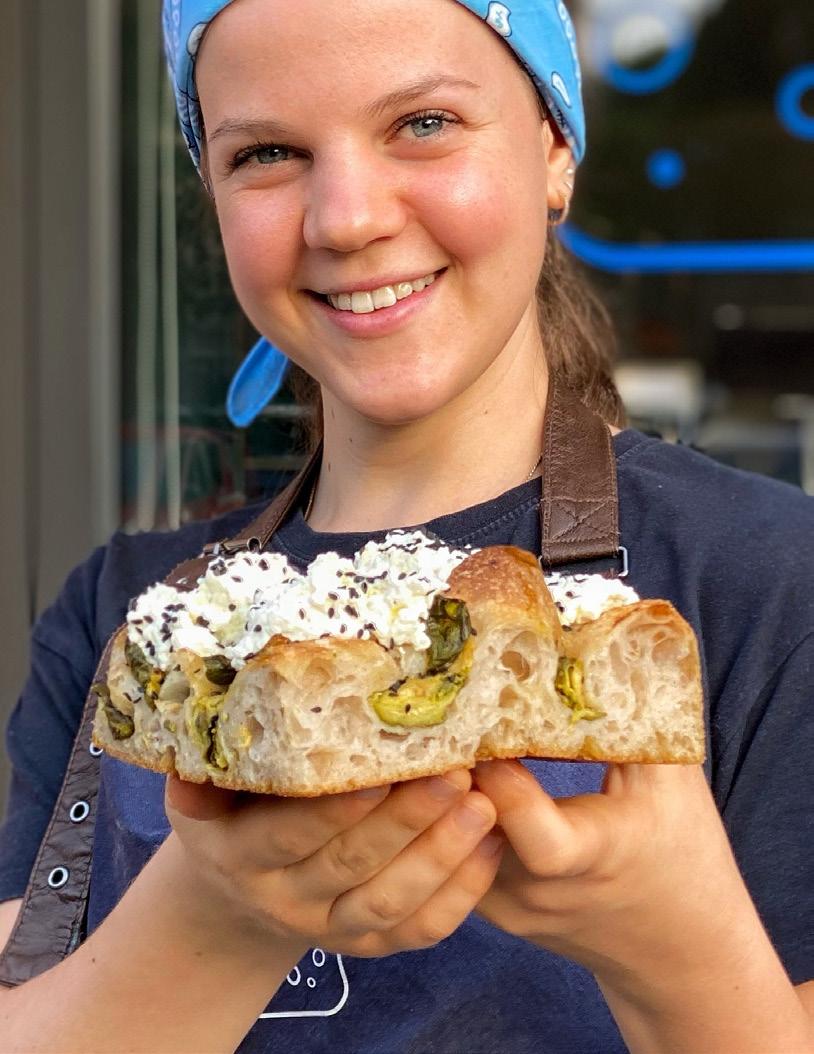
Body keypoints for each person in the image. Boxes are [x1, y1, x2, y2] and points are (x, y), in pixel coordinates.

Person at [0, 0, 813, 1050]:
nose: (345, 218)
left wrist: (677, 954)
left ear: (554, 149)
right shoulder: (128, 620)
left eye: (423, 124)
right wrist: (213, 924)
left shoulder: (772, 586)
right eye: (267, 153)